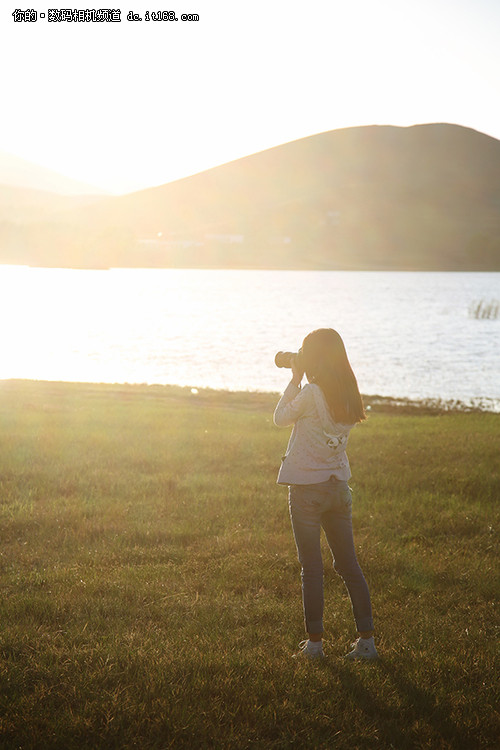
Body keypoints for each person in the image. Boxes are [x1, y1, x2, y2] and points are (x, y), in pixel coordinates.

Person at [273, 328, 378, 661]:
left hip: (307, 490)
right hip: (339, 488)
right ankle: (367, 643)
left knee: (312, 567)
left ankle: (315, 645)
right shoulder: (348, 394)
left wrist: (295, 378)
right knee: (349, 565)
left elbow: (279, 418)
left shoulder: (310, 393)